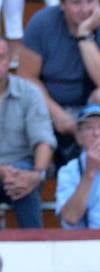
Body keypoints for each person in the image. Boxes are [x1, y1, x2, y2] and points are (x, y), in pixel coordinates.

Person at [18, 0, 100, 153]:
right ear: (62, 5)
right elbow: (26, 77)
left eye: (90, 2)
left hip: (94, 102)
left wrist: (84, 35)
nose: (84, 9)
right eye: (76, 3)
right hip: (51, 105)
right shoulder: (41, 22)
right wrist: (57, 113)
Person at [0, 37, 58, 229]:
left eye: (0, 58)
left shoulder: (30, 92)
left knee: (23, 184)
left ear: (9, 60)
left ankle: (36, 246)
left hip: (20, 169)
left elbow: (43, 139)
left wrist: (37, 173)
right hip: (9, 170)